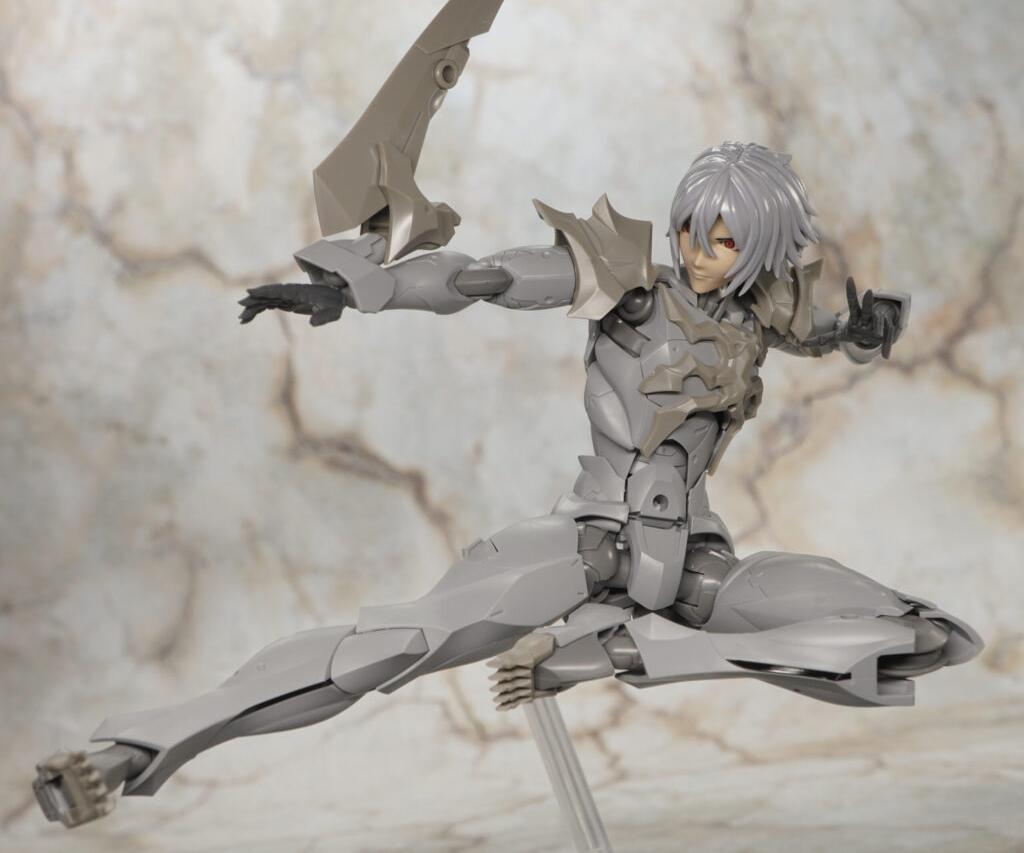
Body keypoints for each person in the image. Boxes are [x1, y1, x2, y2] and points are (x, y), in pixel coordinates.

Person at [33, 142, 982, 829]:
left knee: (916, 636)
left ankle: (625, 654)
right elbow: (482, 279)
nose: (699, 250)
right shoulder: (630, 283)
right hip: (588, 545)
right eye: (691, 228)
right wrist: (365, 289)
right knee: (399, 643)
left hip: (697, 564)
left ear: (762, 250)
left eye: (724, 240)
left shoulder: (760, 310)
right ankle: (135, 749)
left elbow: (813, 329)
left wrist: (861, 331)